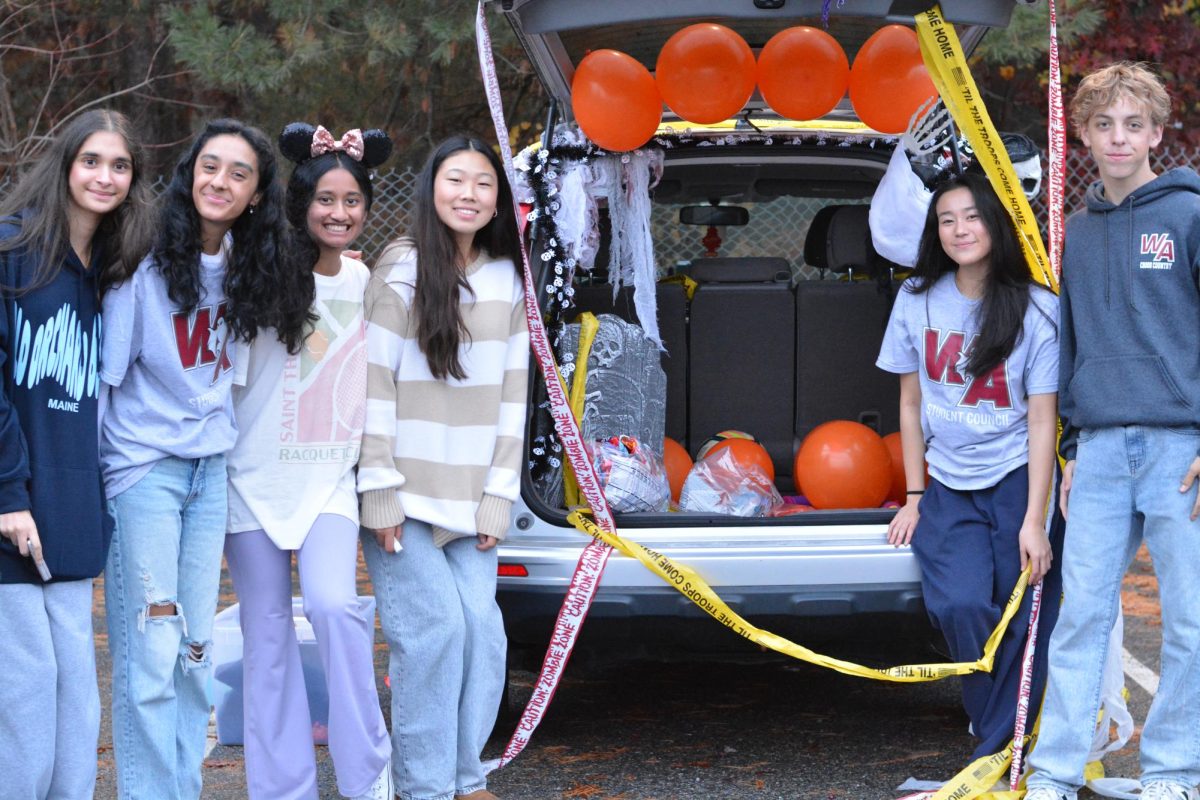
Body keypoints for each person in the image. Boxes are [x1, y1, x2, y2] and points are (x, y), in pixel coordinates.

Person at [100, 118, 309, 800]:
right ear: (191, 173)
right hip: (146, 474)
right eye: (209, 166)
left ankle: (181, 790)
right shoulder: (145, 260)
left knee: (194, 654)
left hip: (207, 473)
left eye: (239, 173)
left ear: (255, 196)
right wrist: (110, 480)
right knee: (153, 650)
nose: (220, 181)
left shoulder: (252, 267)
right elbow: (108, 381)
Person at [1024, 63, 1200, 800]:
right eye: (1104, 125)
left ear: (1158, 134)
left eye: (1134, 124)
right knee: (1082, 618)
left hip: (1180, 453)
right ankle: (1056, 774)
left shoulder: (1190, 216)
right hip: (1097, 453)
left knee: (1190, 624)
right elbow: (1072, 346)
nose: (1119, 137)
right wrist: (1069, 446)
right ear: (1086, 136)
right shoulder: (1081, 233)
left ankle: (1173, 772)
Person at [223, 121, 394, 800]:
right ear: (300, 204)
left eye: (352, 201)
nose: (339, 213)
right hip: (252, 479)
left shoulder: (367, 280)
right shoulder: (262, 273)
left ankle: (367, 776)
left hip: (329, 479)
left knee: (333, 608)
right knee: (265, 639)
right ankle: (284, 789)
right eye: (325, 198)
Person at [356, 134, 529, 800]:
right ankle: (425, 787)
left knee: (483, 636)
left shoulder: (507, 277)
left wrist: (500, 494)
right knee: (434, 634)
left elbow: (515, 395)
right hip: (402, 493)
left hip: (472, 497)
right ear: (431, 188)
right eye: (456, 179)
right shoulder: (399, 269)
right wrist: (377, 487)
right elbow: (372, 383)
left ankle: (463, 775)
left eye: (483, 183)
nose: (469, 193)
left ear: (497, 199)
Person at [877, 170, 1062, 761]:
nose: (960, 229)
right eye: (947, 219)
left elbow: (1041, 422)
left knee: (1028, 605)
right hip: (948, 482)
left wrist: (1035, 520)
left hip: (1015, 476)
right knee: (958, 604)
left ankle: (1000, 743)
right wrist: (914, 493)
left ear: (998, 223)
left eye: (973, 216)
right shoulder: (915, 299)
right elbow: (909, 405)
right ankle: (998, 734)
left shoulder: (1037, 309)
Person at [0, 109, 152, 800]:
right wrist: (7, 493)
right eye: (92, 160)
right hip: (11, 505)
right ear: (65, 164)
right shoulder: (12, 251)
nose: (105, 176)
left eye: (119, 165)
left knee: (75, 690)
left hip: (70, 507)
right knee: (25, 687)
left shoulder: (111, 278)